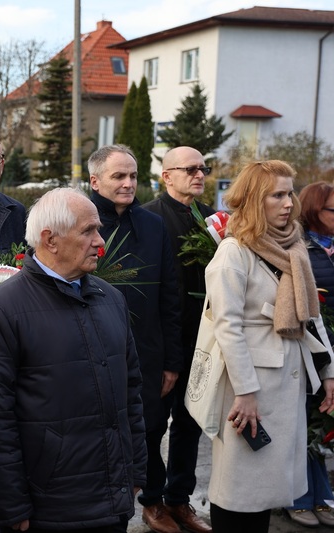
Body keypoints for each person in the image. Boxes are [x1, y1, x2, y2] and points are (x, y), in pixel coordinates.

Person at [0, 187, 147, 532]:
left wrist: (136, 470)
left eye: (98, 229)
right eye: (88, 231)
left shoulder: (111, 299)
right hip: (46, 508)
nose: (100, 241)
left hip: (110, 502)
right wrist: (11, 504)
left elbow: (132, 392)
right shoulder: (2, 309)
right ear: (50, 240)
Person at [204, 161, 334, 532]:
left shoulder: (293, 245)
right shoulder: (234, 252)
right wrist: (245, 391)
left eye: (289, 192)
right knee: (239, 486)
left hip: (287, 380)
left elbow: (312, 314)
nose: (288, 203)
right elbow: (227, 327)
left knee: (265, 491)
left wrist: (329, 371)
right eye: (277, 194)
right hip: (250, 386)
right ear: (254, 199)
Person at [88, 144, 183, 533]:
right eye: (118, 176)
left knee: (150, 428)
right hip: (91, 349)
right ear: (94, 181)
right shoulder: (79, 220)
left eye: (133, 175)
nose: (129, 183)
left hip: (147, 351)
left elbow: (171, 296)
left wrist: (171, 361)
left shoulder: (153, 225)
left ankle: (152, 499)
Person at [140, 146, 214, 533]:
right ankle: (151, 500)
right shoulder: (150, 217)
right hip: (163, 340)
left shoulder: (207, 217)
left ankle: (180, 499)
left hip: (202, 339)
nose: (199, 174)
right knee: (154, 424)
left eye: (203, 168)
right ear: (167, 175)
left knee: (191, 422)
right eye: (190, 169)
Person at [280, 180, 334, 528]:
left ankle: (321, 490)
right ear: (314, 209)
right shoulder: (299, 247)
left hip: (330, 346)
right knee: (301, 422)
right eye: (332, 209)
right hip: (308, 344)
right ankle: (297, 495)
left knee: (321, 424)